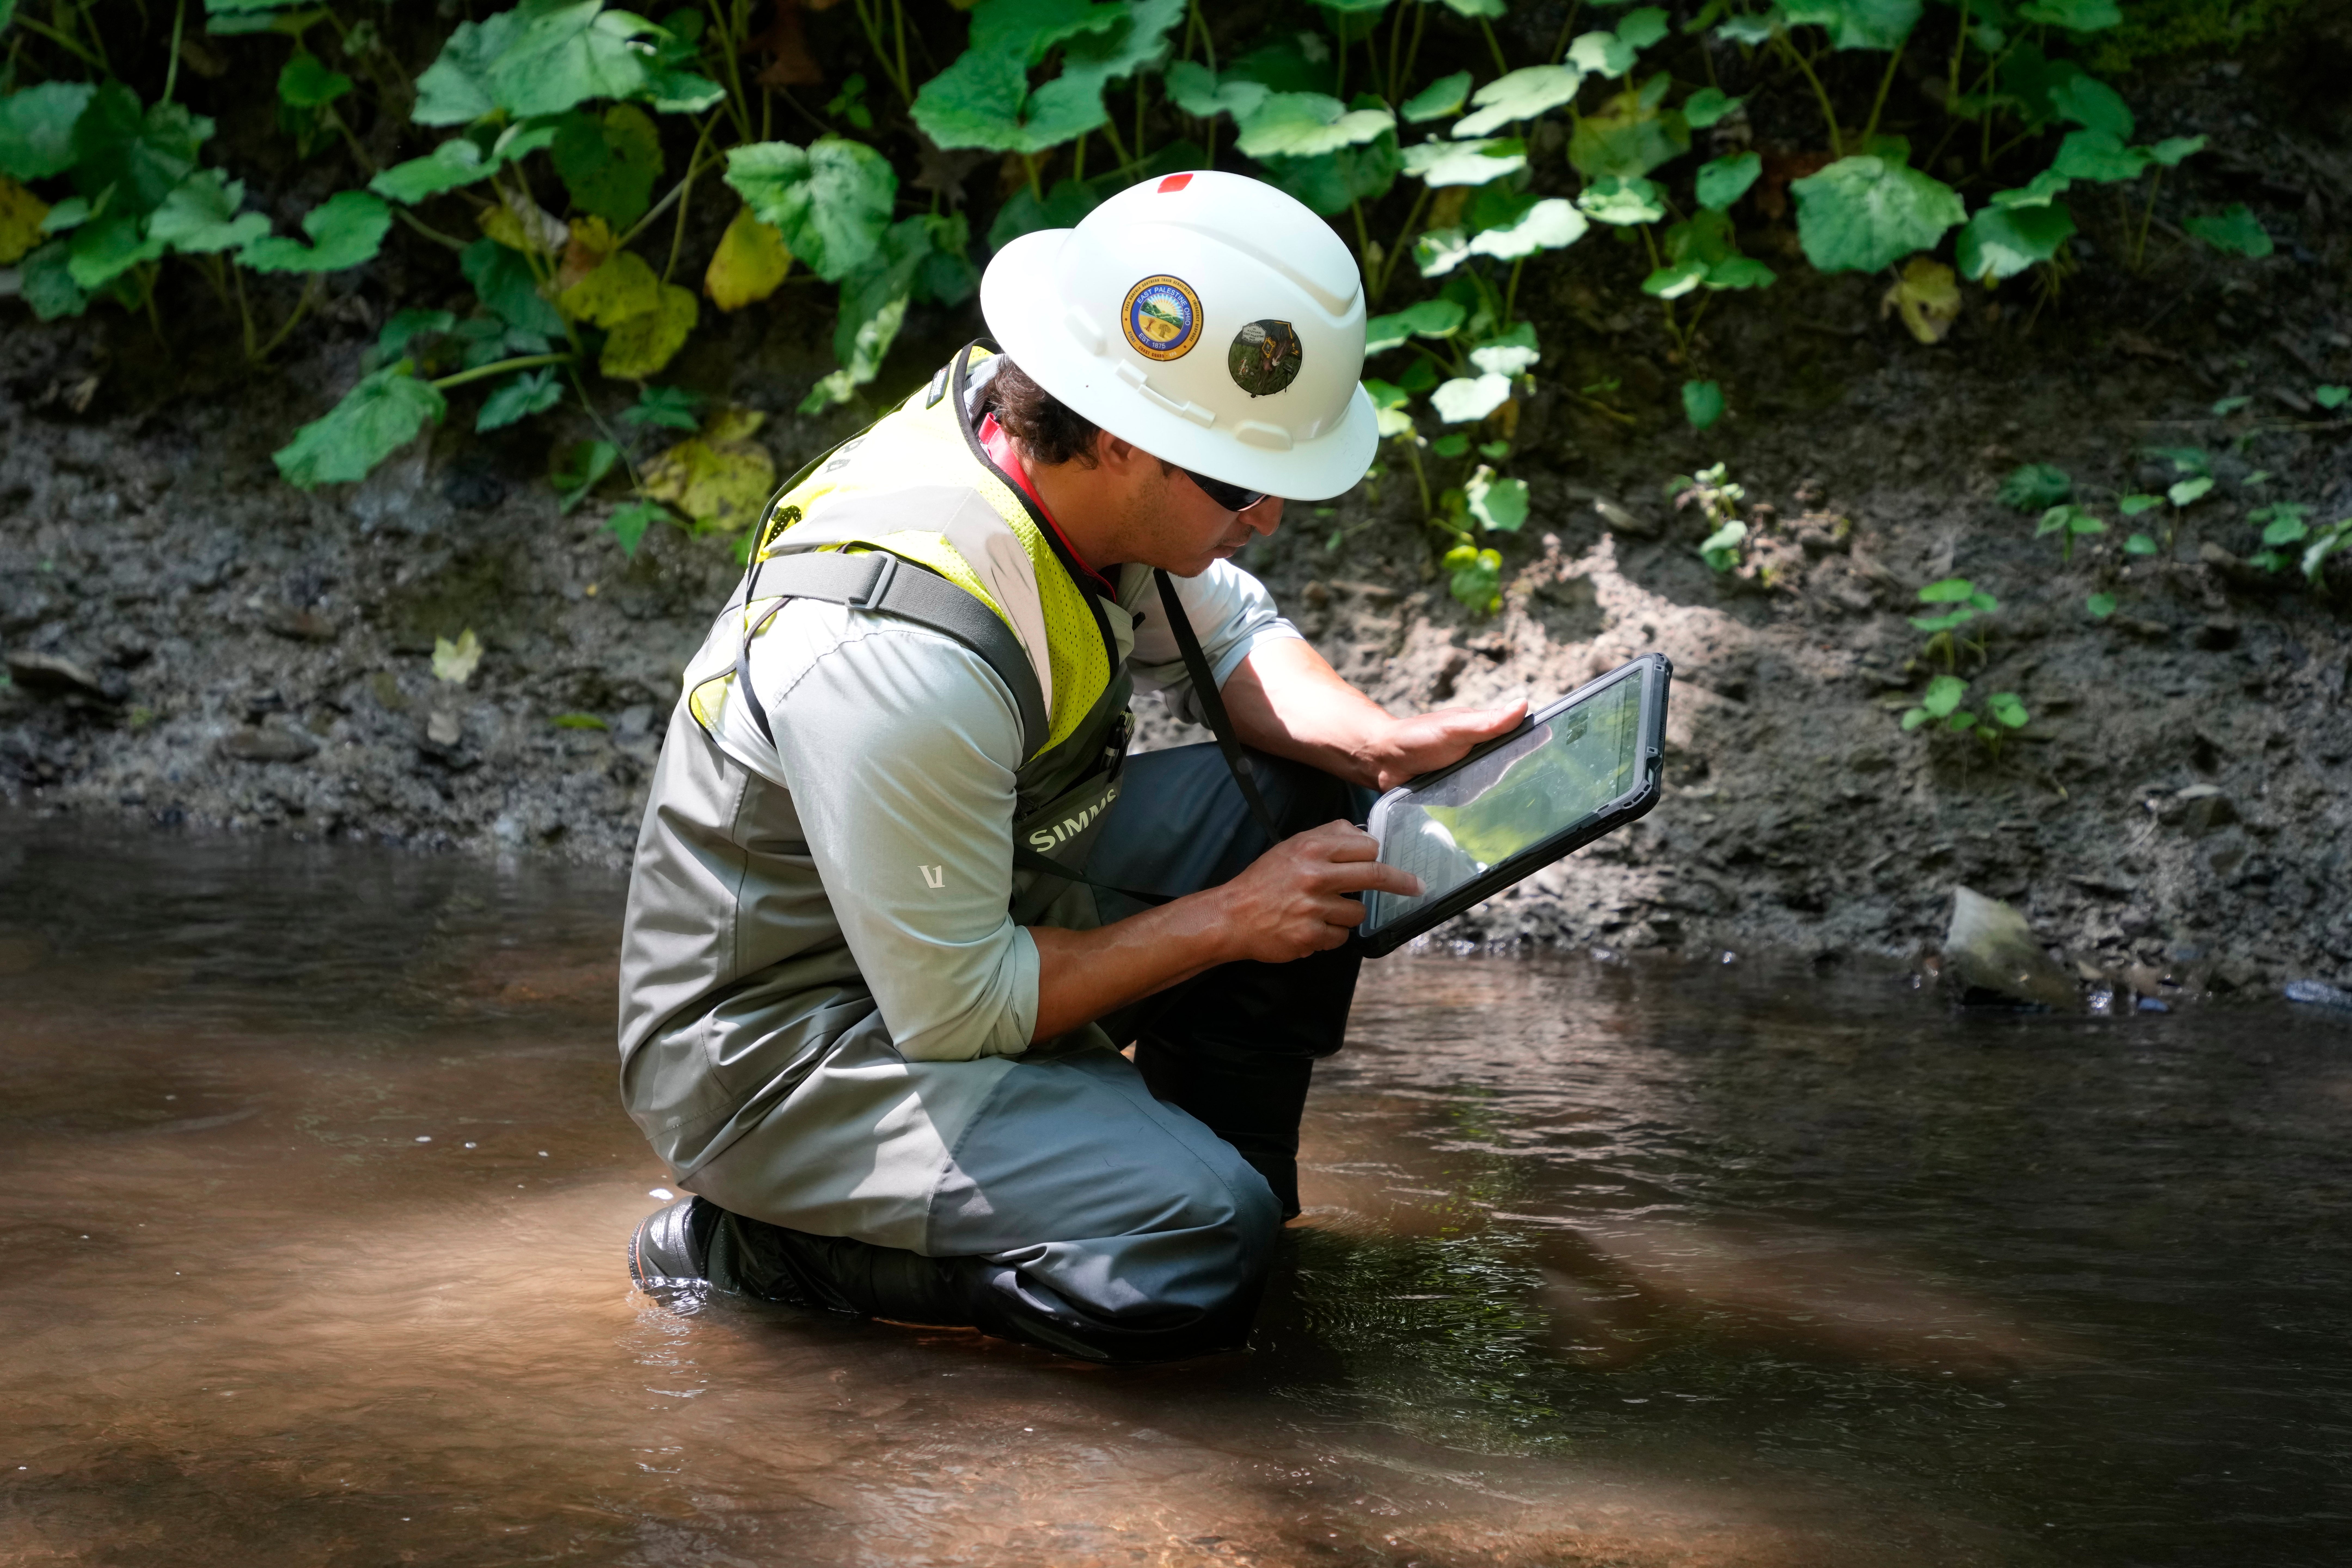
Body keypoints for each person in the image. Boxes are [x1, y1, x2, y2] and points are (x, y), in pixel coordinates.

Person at [618, 170, 1524, 1363]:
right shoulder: (903, 652)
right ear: (1117, 441)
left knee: (1307, 809)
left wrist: (1375, 741)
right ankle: (747, 1248)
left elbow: (1235, 629)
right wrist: (1227, 923)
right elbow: (961, 1010)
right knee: (1193, 1250)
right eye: (1243, 486)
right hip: (790, 1047)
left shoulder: (1049, 466)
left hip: (951, 917)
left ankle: (1192, 1191)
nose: (1267, 520)